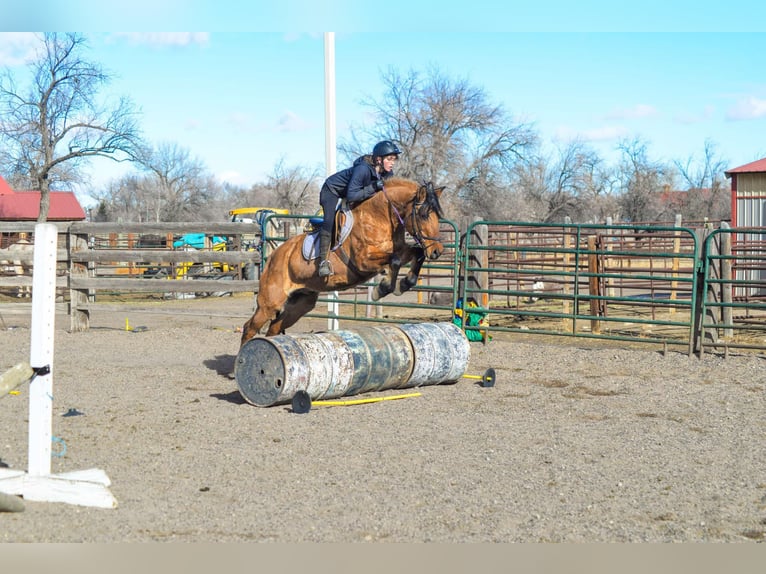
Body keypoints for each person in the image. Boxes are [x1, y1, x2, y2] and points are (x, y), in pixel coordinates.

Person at [316, 140, 402, 277]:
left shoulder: (387, 174)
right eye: (390, 159)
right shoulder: (362, 169)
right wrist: (373, 187)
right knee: (329, 221)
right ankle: (323, 261)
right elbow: (351, 196)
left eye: (394, 160)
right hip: (332, 190)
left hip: (353, 192)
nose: (393, 163)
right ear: (379, 160)